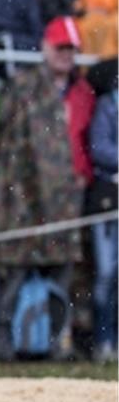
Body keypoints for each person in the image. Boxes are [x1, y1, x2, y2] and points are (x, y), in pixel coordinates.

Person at [0, 17, 88, 361]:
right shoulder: (23, 86)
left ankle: (51, 341)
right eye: (61, 48)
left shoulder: (82, 92)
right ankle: (4, 342)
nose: (66, 56)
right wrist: (19, 187)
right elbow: (1, 138)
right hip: (23, 198)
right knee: (14, 273)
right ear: (45, 47)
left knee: (62, 277)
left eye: (71, 50)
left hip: (68, 200)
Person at [87, 73, 118, 363]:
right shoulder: (108, 106)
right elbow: (99, 149)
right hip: (109, 198)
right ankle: (103, 340)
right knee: (106, 274)